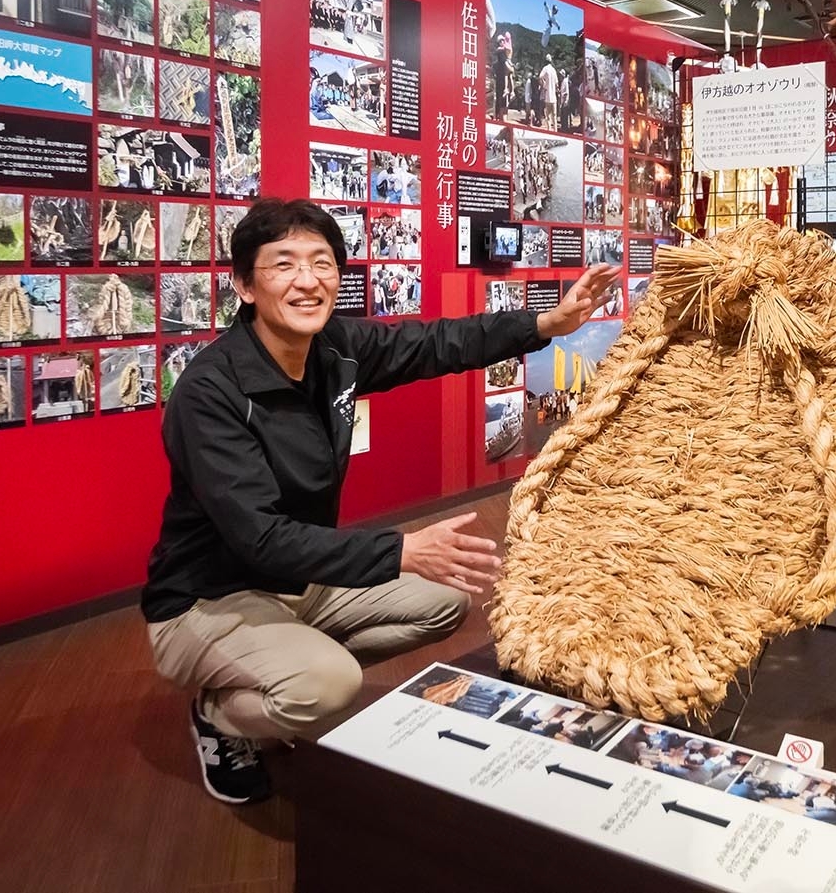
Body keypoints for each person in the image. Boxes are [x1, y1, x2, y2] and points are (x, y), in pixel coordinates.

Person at [143, 198, 619, 804]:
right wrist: (400, 549)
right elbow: (259, 537)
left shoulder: (335, 349)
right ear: (244, 285)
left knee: (445, 601)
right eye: (283, 264)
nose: (307, 280)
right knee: (327, 687)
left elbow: (437, 342)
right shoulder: (211, 392)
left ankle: (282, 662)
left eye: (322, 262)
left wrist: (544, 326)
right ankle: (222, 717)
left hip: (301, 578)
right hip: (207, 597)